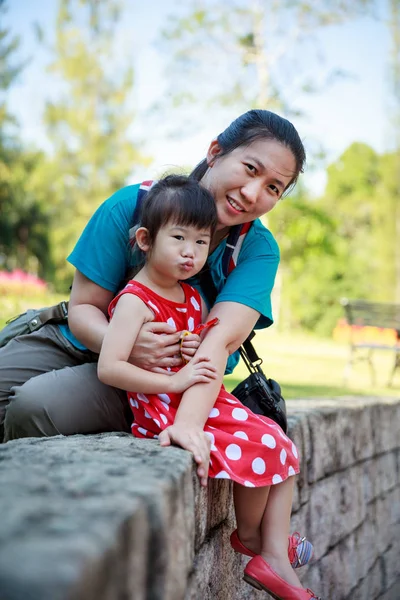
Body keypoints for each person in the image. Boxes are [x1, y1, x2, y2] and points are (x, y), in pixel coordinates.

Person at [97, 174, 319, 600]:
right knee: (266, 447)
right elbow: (110, 368)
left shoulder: (193, 298)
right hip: (164, 405)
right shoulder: (133, 300)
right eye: (178, 238)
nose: (189, 252)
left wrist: (189, 348)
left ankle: (260, 543)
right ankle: (260, 545)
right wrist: (173, 379)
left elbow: (194, 347)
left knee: (280, 442)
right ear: (145, 239)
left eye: (201, 243)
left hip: (198, 397)